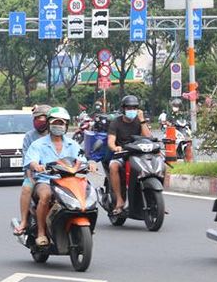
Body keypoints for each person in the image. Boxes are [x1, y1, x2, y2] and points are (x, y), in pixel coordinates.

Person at [24, 107, 96, 247]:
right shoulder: (38, 144)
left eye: (62, 123)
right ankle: (41, 233)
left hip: (69, 181)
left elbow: (83, 159)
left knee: (87, 193)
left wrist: (91, 165)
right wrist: (36, 166)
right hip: (46, 180)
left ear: (66, 125)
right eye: (55, 122)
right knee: (45, 196)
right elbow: (31, 160)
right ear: (49, 124)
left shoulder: (72, 144)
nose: (58, 125)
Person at [107, 95, 151, 214]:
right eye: (129, 107)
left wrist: (142, 120)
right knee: (113, 166)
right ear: (123, 109)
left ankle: (154, 198)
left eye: (134, 107)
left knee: (161, 164)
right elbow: (111, 141)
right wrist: (115, 148)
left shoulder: (139, 121)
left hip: (139, 154)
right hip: (123, 154)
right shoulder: (116, 123)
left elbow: (149, 138)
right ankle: (120, 200)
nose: (132, 110)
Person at [13, 104, 51, 236]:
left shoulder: (57, 136)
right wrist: (31, 176)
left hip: (56, 175)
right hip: (35, 174)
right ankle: (23, 221)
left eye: (43, 119)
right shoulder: (29, 136)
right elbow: (27, 159)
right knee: (27, 187)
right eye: (37, 119)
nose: (40, 122)